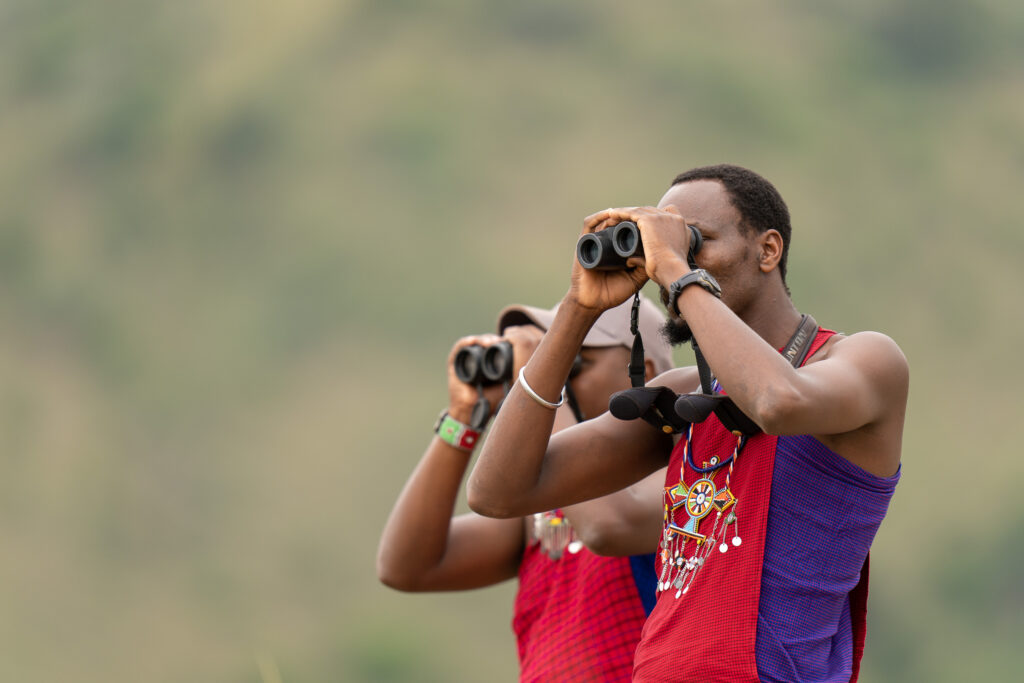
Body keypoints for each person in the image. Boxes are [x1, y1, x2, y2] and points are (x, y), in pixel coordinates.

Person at [467, 164, 908, 683]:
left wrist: (678, 268)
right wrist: (577, 311)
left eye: (695, 239)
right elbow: (498, 492)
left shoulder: (866, 361)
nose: (664, 262)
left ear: (768, 250)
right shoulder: (685, 397)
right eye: (663, 245)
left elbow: (776, 402)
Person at [376, 295, 675, 682]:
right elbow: (408, 566)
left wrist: (543, 390)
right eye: (549, 361)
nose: (554, 372)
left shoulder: (680, 469)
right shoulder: (544, 502)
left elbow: (606, 526)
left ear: (643, 371)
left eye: (574, 361)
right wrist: (464, 418)